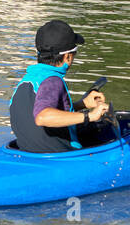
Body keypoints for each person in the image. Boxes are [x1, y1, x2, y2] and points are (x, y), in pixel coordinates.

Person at [9, 19, 109, 153]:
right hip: (60, 157)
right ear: (67, 57)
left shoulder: (27, 80)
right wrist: (90, 116)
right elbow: (42, 117)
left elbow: (43, 104)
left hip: (27, 152)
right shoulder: (53, 81)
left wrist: (82, 104)